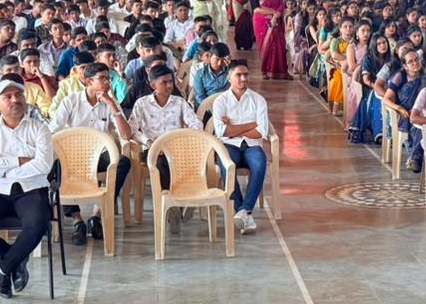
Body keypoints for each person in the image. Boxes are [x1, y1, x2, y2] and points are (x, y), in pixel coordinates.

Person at [0, 80, 56, 299]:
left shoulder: (39, 129)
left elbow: (44, 165)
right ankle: (15, 259)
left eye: (19, 95)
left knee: (38, 224)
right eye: (8, 97)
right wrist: (19, 161)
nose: (15, 100)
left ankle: (4, 267)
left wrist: (4, 169)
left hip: (31, 188)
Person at [49, 63, 133, 242]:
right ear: (88, 82)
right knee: (56, 167)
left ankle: (97, 216)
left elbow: (126, 135)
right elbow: (53, 130)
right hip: (72, 155)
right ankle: (77, 220)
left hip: (99, 155)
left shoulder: (110, 102)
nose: (107, 82)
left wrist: (112, 106)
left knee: (123, 162)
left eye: (108, 78)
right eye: (102, 79)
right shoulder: (71, 101)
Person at [130, 64, 204, 233]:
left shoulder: (179, 102)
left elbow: (195, 124)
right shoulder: (142, 104)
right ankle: (173, 206)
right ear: (153, 85)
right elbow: (132, 130)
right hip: (153, 149)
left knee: (196, 158)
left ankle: (186, 199)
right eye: (164, 82)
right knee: (162, 162)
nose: (169, 85)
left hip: (177, 149)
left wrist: (184, 139)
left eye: (171, 81)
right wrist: (149, 142)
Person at [211, 60, 268, 235]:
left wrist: (233, 129)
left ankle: (244, 211)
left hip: (252, 146)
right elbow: (221, 131)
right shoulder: (220, 101)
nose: (243, 78)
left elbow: (262, 131)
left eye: (246, 75)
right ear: (229, 78)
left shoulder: (258, 100)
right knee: (227, 165)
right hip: (229, 146)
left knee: (260, 164)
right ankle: (243, 212)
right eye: (238, 75)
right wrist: (251, 124)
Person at [256, 0, 289, 79]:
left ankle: (280, 72)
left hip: (276, 21)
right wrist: (273, 13)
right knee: (266, 45)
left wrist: (275, 17)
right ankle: (265, 71)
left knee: (279, 45)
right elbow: (256, 9)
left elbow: (281, 7)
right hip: (261, 22)